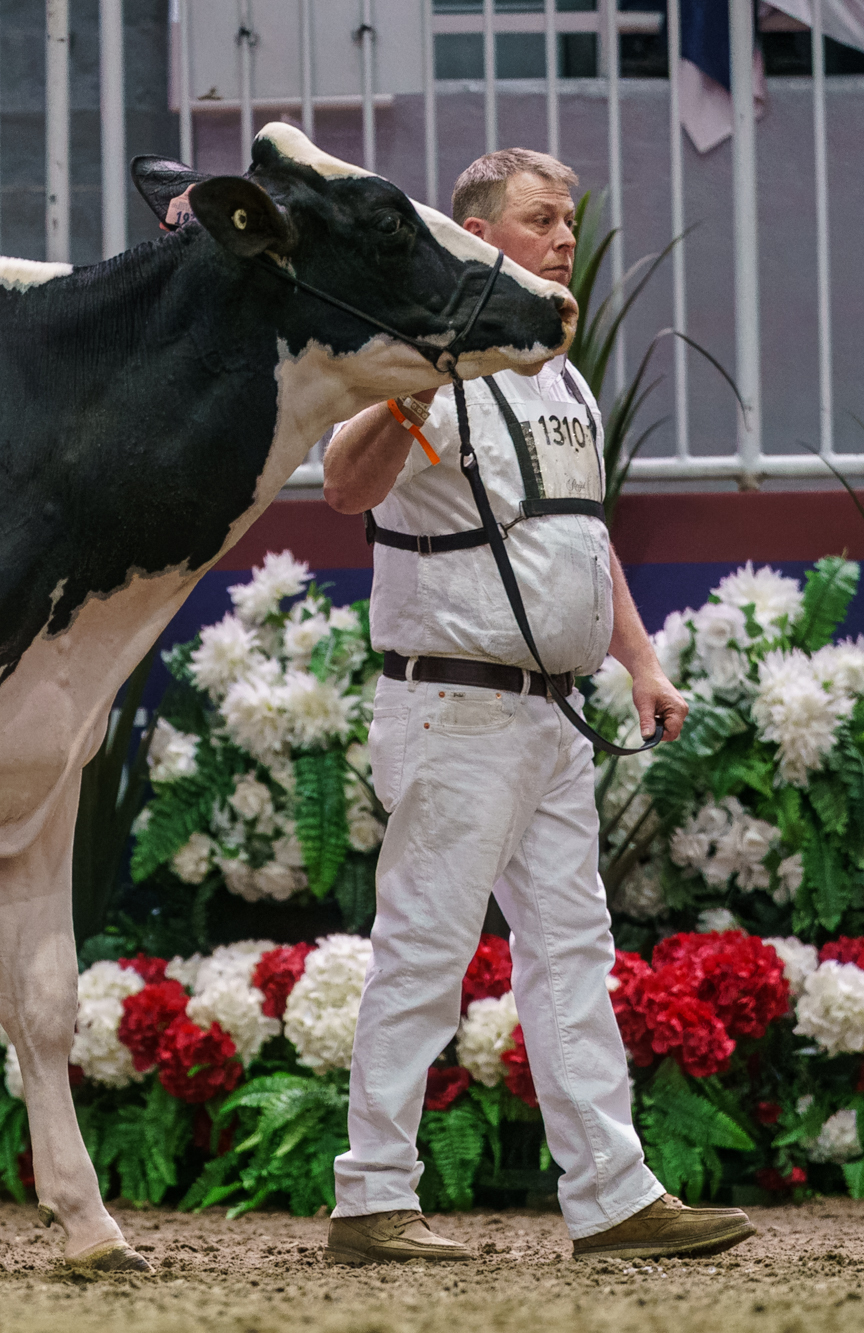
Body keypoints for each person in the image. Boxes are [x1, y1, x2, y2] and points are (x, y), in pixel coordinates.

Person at [317, 148, 755, 1265]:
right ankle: (371, 1197)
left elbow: (579, 539)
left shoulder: (560, 376)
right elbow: (344, 485)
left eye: (567, 220)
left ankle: (612, 1195)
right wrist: (407, 394)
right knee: (424, 948)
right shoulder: (418, 361)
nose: (564, 239)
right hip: (453, 707)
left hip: (553, 715)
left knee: (571, 952)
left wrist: (639, 661)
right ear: (476, 238)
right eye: (540, 219)